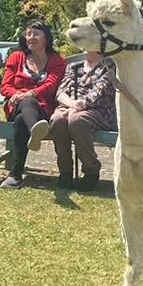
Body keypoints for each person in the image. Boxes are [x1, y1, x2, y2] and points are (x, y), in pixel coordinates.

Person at [0, 20, 66, 188]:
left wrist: (32, 93)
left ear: (47, 38)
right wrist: (18, 94)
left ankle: (15, 175)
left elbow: (52, 84)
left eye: (36, 34)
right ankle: (35, 129)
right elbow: (5, 86)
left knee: (22, 120)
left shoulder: (57, 60)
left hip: (43, 109)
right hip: (16, 104)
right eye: (28, 34)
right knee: (26, 104)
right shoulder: (16, 57)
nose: (31, 37)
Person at [47, 48, 115, 190]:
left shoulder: (109, 66)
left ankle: (91, 171)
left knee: (77, 121)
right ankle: (65, 172)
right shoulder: (74, 66)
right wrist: (72, 105)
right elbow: (61, 92)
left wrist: (77, 107)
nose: (84, 46)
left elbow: (98, 93)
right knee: (58, 120)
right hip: (69, 106)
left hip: (97, 110)